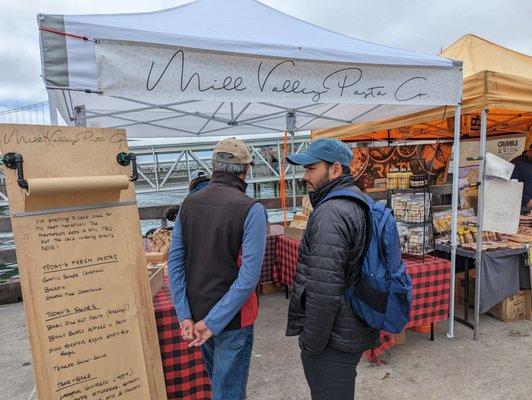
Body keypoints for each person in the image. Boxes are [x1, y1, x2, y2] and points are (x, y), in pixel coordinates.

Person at [168, 138, 267, 400]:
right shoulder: (252, 209)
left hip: (199, 313)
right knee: (229, 392)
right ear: (246, 170)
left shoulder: (189, 204)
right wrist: (212, 322)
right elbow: (248, 278)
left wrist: (185, 315)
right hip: (231, 319)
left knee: (223, 389)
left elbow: (175, 262)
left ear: (214, 167)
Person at [285, 138, 379, 400]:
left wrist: (311, 344)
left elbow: (324, 291)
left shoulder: (331, 213)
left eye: (311, 169)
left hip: (334, 338)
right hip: (351, 326)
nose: (305, 176)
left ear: (335, 169)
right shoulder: (355, 200)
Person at [511, 143, 532, 210]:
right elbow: (510, 185)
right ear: (530, 150)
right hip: (521, 206)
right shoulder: (516, 163)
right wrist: (527, 200)